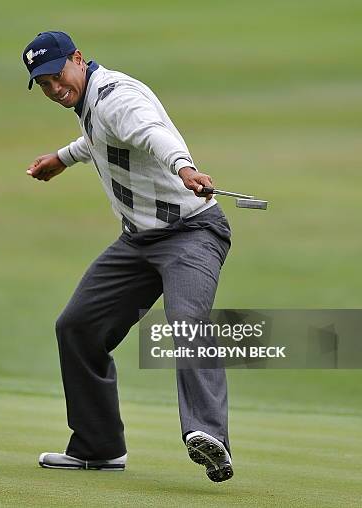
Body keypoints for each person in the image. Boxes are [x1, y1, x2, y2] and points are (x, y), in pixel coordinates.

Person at [22, 31, 233, 482]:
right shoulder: (91, 101)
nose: (54, 89)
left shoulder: (117, 97)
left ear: (78, 59)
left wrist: (184, 167)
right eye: (43, 84)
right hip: (138, 242)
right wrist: (63, 157)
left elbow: (150, 133)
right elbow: (101, 140)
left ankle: (208, 437)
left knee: (186, 322)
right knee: (78, 327)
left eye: (58, 76)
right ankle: (97, 449)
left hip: (192, 233)